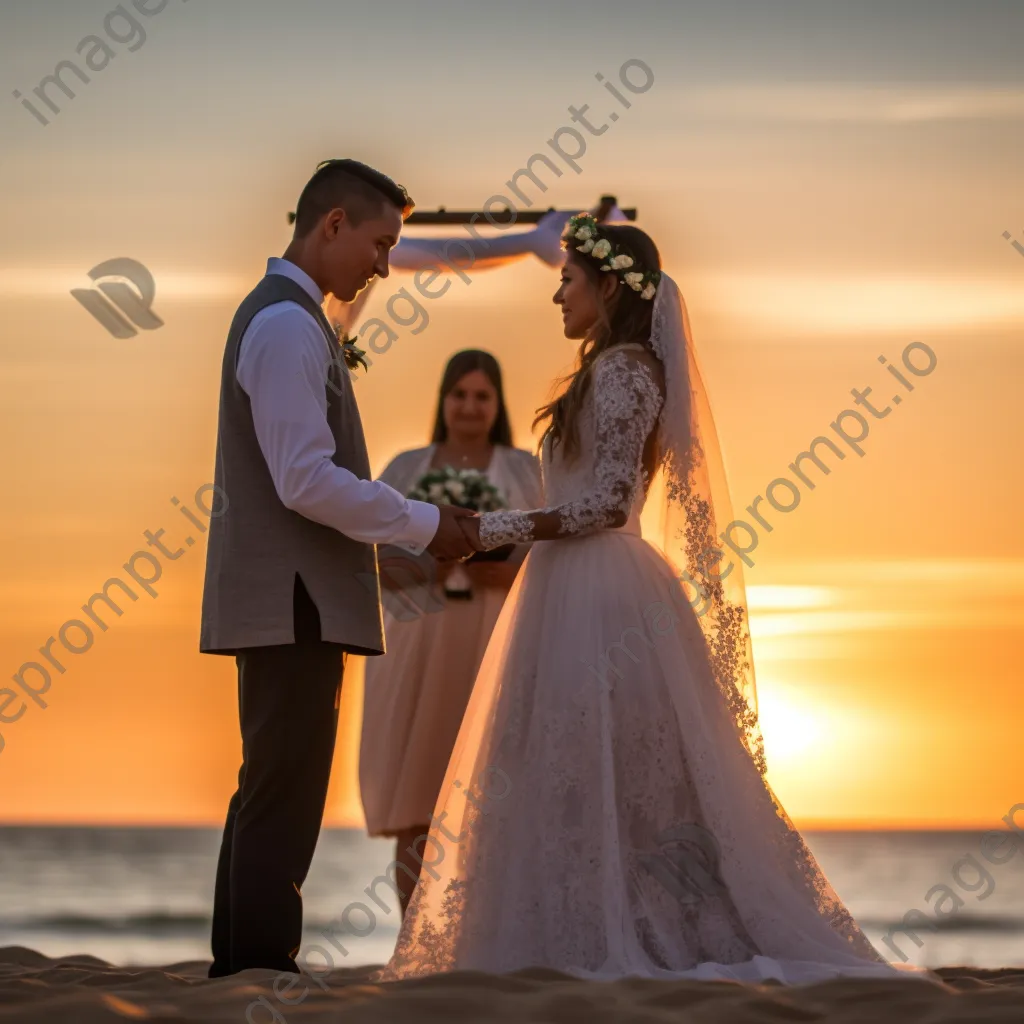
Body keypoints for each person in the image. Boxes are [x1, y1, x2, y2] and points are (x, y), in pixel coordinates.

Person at [378, 215, 938, 984]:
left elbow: (609, 502)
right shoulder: (605, 368)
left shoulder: (625, 371)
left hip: (599, 588)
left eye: (568, 280)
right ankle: (568, 925)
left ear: (607, 285)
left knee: (616, 770)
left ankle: (638, 928)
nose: (557, 296)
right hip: (565, 584)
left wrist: (489, 528)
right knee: (561, 766)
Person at [198, 158, 477, 977]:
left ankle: (241, 962)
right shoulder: (286, 326)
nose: (385, 266)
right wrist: (426, 525)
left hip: (290, 596)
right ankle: (256, 966)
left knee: (270, 782)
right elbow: (304, 479)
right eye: (381, 244)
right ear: (332, 226)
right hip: (295, 598)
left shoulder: (296, 315)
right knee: (284, 788)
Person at [359, 349, 543, 917]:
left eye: (481, 396)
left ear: (498, 403)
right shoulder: (407, 467)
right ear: (443, 400)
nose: (469, 406)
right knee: (417, 791)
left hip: (492, 641)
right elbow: (367, 557)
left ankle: (481, 933)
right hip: (417, 640)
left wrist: (501, 568)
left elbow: (552, 558)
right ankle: (413, 936)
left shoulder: (523, 471)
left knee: (494, 796)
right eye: (459, 394)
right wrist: (430, 562)